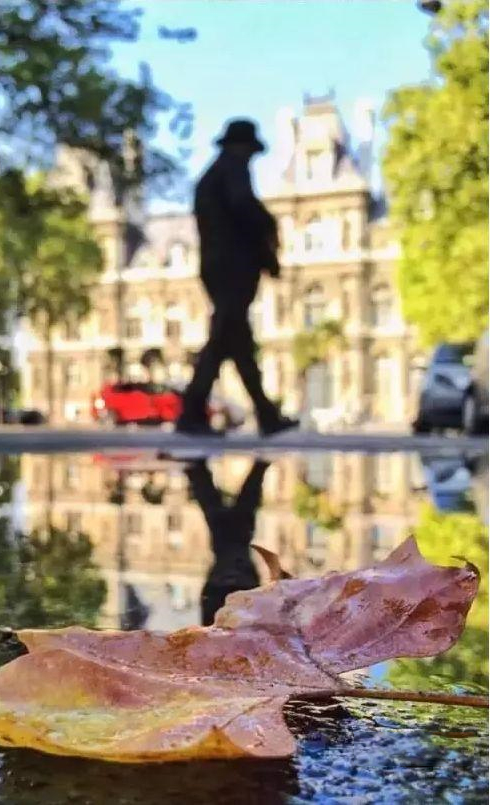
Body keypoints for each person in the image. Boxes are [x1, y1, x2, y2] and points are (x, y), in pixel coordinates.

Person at [176, 118, 297, 436]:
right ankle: (191, 412)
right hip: (231, 266)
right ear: (240, 147)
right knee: (222, 339)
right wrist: (268, 234)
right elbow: (244, 208)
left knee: (238, 342)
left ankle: (266, 413)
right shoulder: (232, 169)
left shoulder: (214, 175)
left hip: (219, 265)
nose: (250, 157)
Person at [185, 458, 268, 625]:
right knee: (224, 520)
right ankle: (197, 471)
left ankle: (198, 471)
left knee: (237, 518)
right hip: (232, 585)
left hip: (238, 586)